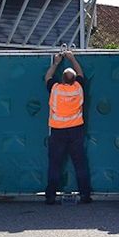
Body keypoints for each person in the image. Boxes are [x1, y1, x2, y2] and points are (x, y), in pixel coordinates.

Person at [43, 51, 91, 204]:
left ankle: (50, 196)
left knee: (55, 164)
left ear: (62, 78)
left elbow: (47, 77)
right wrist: (72, 58)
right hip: (75, 130)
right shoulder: (78, 88)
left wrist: (56, 63)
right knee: (80, 163)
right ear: (74, 79)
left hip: (57, 131)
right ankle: (85, 195)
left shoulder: (55, 89)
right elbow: (80, 72)